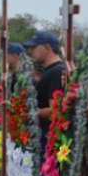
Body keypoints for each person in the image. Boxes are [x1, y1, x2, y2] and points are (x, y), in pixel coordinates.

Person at [23, 31, 66, 159]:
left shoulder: (56, 72)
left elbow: (55, 110)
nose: (31, 51)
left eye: (34, 47)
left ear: (47, 47)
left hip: (49, 141)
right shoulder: (49, 70)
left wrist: (32, 112)